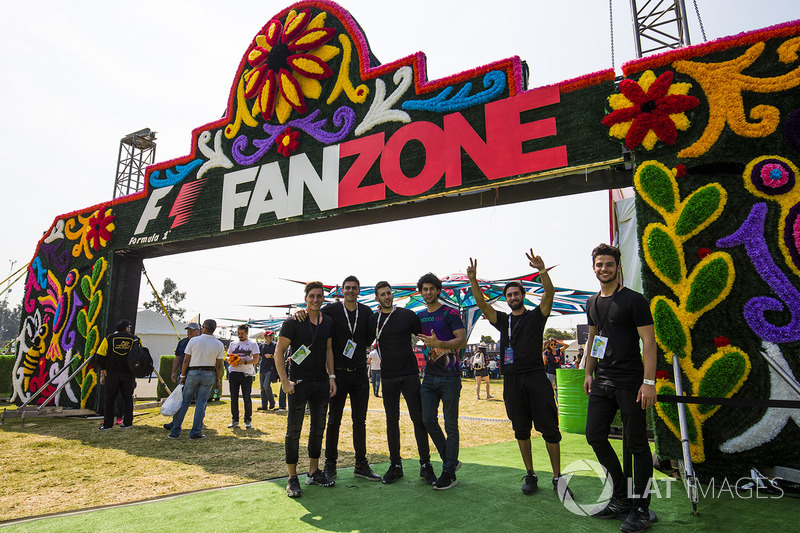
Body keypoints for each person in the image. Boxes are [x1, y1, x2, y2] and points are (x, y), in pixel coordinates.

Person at [467, 252, 572, 498]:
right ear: (506, 299)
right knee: (520, 429)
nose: (513, 297)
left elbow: (549, 294)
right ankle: (531, 474)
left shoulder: (536, 316)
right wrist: (473, 280)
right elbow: (482, 304)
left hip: (536, 376)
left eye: (516, 294)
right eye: (509, 295)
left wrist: (542, 271)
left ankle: (557, 478)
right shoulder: (503, 320)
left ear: (523, 296)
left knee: (550, 429)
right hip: (512, 380)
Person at [583, 243, 657, 532]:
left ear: (618, 267)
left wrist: (648, 382)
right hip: (602, 380)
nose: (604, 269)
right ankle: (621, 497)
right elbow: (593, 340)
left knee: (637, 444)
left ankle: (641, 508)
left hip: (631, 381)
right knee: (594, 436)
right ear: (594, 267)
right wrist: (589, 372)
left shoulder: (634, 300)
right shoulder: (591, 302)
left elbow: (649, 343)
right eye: (599, 264)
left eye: (609, 264)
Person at [368, 281, 437, 486]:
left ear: (393, 294)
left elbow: (426, 337)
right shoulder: (374, 320)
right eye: (383, 294)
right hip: (387, 377)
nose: (387, 296)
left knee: (418, 419)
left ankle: (425, 465)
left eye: (389, 293)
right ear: (377, 298)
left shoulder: (408, 315)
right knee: (392, 421)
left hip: (409, 375)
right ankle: (395, 465)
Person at [274, 281, 337, 498]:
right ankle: (292, 478)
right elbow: (278, 352)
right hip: (298, 383)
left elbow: (329, 350)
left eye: (319, 296)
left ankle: (313, 471)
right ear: (305, 298)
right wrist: (284, 381)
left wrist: (332, 377)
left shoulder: (327, 322)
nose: (316, 299)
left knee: (318, 428)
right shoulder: (293, 322)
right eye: (312, 296)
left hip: (321, 382)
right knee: (294, 431)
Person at [315, 275, 380, 482]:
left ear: (359, 291)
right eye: (347, 288)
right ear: (342, 290)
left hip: (360, 373)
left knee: (359, 421)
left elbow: (370, 338)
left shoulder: (367, 312)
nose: (351, 291)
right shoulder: (331, 310)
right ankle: (330, 463)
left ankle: (361, 463)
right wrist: (299, 313)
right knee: (334, 420)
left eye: (354, 288)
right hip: (338, 374)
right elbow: (313, 315)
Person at [417, 272, 467, 490]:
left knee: (451, 425)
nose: (428, 292)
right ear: (421, 292)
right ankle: (451, 460)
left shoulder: (450, 313)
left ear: (438, 290)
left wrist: (441, 342)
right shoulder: (418, 316)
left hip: (450, 377)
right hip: (429, 376)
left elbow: (462, 341)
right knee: (427, 419)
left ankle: (448, 473)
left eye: (431, 289)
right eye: (424, 289)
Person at [168, 319, 225, 440]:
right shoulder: (219, 344)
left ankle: (175, 431)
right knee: (201, 403)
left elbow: (186, 360)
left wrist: (182, 376)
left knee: (184, 402)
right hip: (209, 373)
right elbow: (219, 365)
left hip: (193, 372)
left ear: (203, 328)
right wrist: (218, 380)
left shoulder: (194, 341)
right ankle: (195, 432)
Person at [96, 319, 138, 430]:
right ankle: (128, 423)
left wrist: (104, 369)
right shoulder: (134, 339)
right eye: (129, 327)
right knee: (128, 399)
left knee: (109, 399)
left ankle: (107, 425)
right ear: (126, 328)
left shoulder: (109, 338)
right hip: (128, 374)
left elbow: (99, 355)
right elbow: (140, 356)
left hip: (112, 373)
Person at [226, 324, 260, 429]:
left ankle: (248, 420)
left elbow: (256, 359)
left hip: (246, 374)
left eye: (242, 334)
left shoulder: (252, 343)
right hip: (233, 372)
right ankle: (235, 419)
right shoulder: (233, 343)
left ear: (247, 333)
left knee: (246, 397)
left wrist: (244, 361)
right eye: (238, 333)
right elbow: (227, 356)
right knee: (233, 398)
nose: (240, 335)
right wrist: (231, 360)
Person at [258, 331, 277, 410]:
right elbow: (258, 357)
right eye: (269, 335)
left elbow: (278, 356)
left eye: (271, 335)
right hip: (262, 368)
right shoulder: (261, 346)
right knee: (262, 388)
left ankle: (272, 401)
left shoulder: (275, 345)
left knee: (266, 385)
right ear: (265, 337)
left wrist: (271, 356)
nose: (271, 337)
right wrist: (255, 366)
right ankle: (264, 405)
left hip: (270, 368)